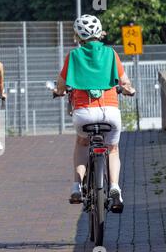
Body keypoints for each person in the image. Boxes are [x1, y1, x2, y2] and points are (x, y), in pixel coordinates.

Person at [53, 14, 135, 213]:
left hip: (83, 114)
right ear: (100, 33)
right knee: (112, 148)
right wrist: (129, 90)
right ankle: (114, 187)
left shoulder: (73, 56)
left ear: (78, 36)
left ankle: (76, 187)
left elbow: (61, 85)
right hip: (110, 113)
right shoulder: (111, 54)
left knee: (82, 143)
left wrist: (58, 92)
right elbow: (124, 83)